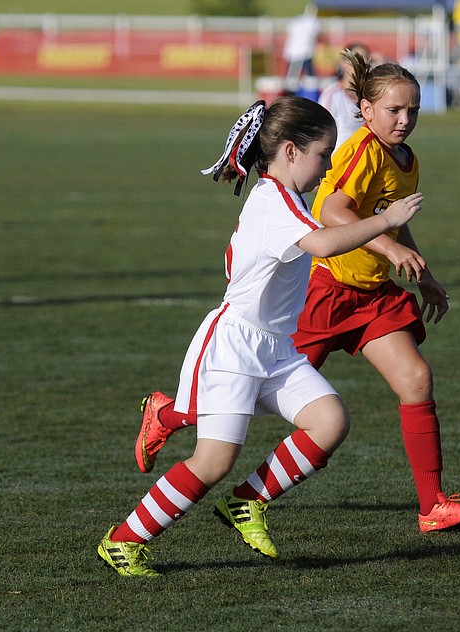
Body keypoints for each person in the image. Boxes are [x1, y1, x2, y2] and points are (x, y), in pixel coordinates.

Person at [136, 51, 460, 538]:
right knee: (235, 414)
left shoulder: (404, 160)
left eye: (414, 110)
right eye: (395, 110)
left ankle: (432, 504)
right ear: (365, 111)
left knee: (408, 382)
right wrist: (387, 236)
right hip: (322, 296)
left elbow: (385, 214)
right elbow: (333, 214)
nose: (406, 119)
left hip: (369, 295)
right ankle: (170, 416)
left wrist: (419, 268)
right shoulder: (343, 161)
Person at [98, 95, 423, 578]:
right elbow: (324, 244)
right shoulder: (273, 200)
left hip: (276, 348)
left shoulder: (290, 198)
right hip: (235, 344)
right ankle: (124, 540)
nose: (328, 165)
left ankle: (246, 503)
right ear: (291, 152)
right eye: (322, 154)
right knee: (213, 461)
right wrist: (387, 223)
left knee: (329, 421)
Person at [318, 43, 370, 152]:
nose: (361, 64)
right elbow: (320, 130)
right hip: (340, 163)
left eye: (364, 59)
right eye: (356, 59)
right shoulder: (332, 95)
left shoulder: (371, 96)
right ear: (343, 63)